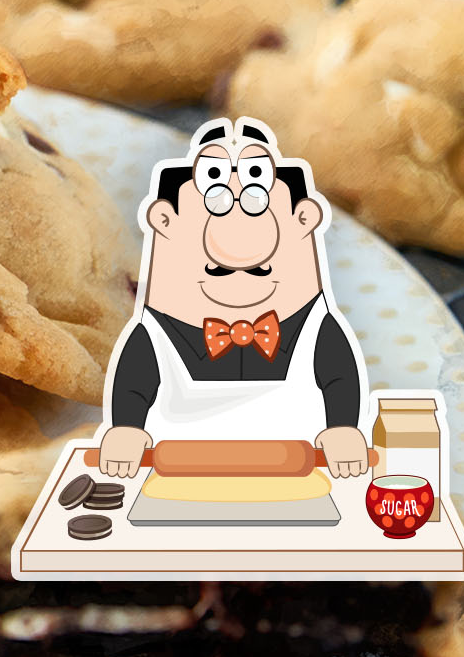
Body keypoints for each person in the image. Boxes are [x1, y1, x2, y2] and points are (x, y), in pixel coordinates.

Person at [97, 117, 370, 479]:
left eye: (257, 198)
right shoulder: (158, 335)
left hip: (301, 479)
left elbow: (339, 376)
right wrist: (127, 430)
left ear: (304, 219)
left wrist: (342, 429)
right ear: (164, 221)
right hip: (176, 479)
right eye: (215, 198)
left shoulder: (315, 328)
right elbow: (135, 381)